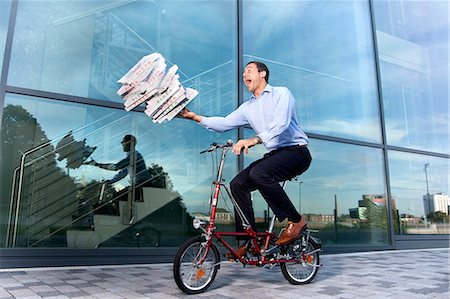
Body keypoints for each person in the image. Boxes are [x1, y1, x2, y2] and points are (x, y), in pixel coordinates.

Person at [179, 61, 312, 257]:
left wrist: (254, 139)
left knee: (259, 173)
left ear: (263, 74)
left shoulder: (281, 94)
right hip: (276, 155)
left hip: (297, 153)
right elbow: (225, 123)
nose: (244, 75)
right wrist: (195, 117)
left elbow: (281, 124)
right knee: (237, 184)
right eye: (243, 73)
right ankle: (250, 240)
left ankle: (296, 220)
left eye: (248, 70)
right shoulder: (248, 107)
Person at [86, 134, 152, 203]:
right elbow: (123, 173)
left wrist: (96, 164)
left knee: (117, 197)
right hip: (140, 185)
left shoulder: (134, 156)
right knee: (118, 197)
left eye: (123, 141)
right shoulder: (132, 157)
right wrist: (111, 181)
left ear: (129, 143)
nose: (121, 143)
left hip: (144, 186)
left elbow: (115, 167)